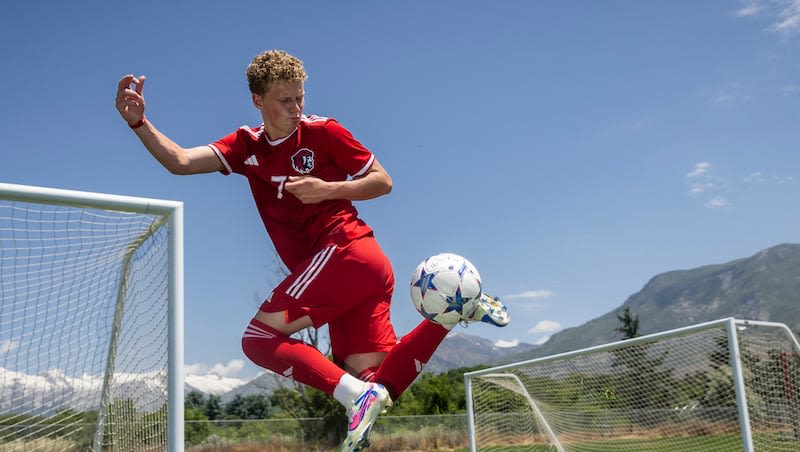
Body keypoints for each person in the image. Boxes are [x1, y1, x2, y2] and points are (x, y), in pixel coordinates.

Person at [115, 49, 509, 451]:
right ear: (258, 100)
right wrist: (139, 123)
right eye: (286, 100)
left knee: (258, 338)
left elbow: (382, 180)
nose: (297, 108)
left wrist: (328, 189)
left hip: (346, 252)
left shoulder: (324, 132)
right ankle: (456, 311)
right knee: (377, 384)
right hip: (351, 275)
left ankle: (357, 396)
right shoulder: (245, 145)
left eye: (300, 97)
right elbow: (180, 161)